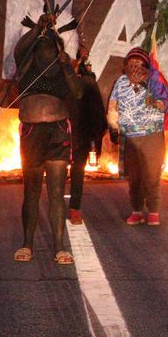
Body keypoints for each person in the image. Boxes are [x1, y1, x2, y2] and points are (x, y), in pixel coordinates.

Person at [10, 12, 83, 264]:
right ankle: (27, 244)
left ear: (57, 47)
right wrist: (38, 28)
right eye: (39, 45)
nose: (44, 49)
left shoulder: (63, 66)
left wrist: (66, 66)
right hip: (32, 131)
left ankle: (60, 247)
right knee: (31, 191)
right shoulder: (26, 63)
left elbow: (78, 92)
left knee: (55, 191)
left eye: (48, 44)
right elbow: (20, 49)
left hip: (58, 131)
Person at [108, 47, 168, 227]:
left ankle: (152, 210)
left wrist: (150, 95)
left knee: (152, 175)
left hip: (152, 135)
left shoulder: (155, 81)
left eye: (138, 62)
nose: (134, 65)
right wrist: (113, 126)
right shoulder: (120, 82)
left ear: (145, 64)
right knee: (134, 176)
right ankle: (136, 210)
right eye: (131, 62)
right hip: (130, 136)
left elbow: (167, 106)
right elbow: (113, 105)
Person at [68, 45, 107, 225]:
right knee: (56, 171)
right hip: (58, 133)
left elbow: (97, 112)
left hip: (80, 135)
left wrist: (95, 140)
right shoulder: (55, 79)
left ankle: (75, 207)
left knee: (77, 171)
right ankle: (57, 207)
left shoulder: (88, 81)